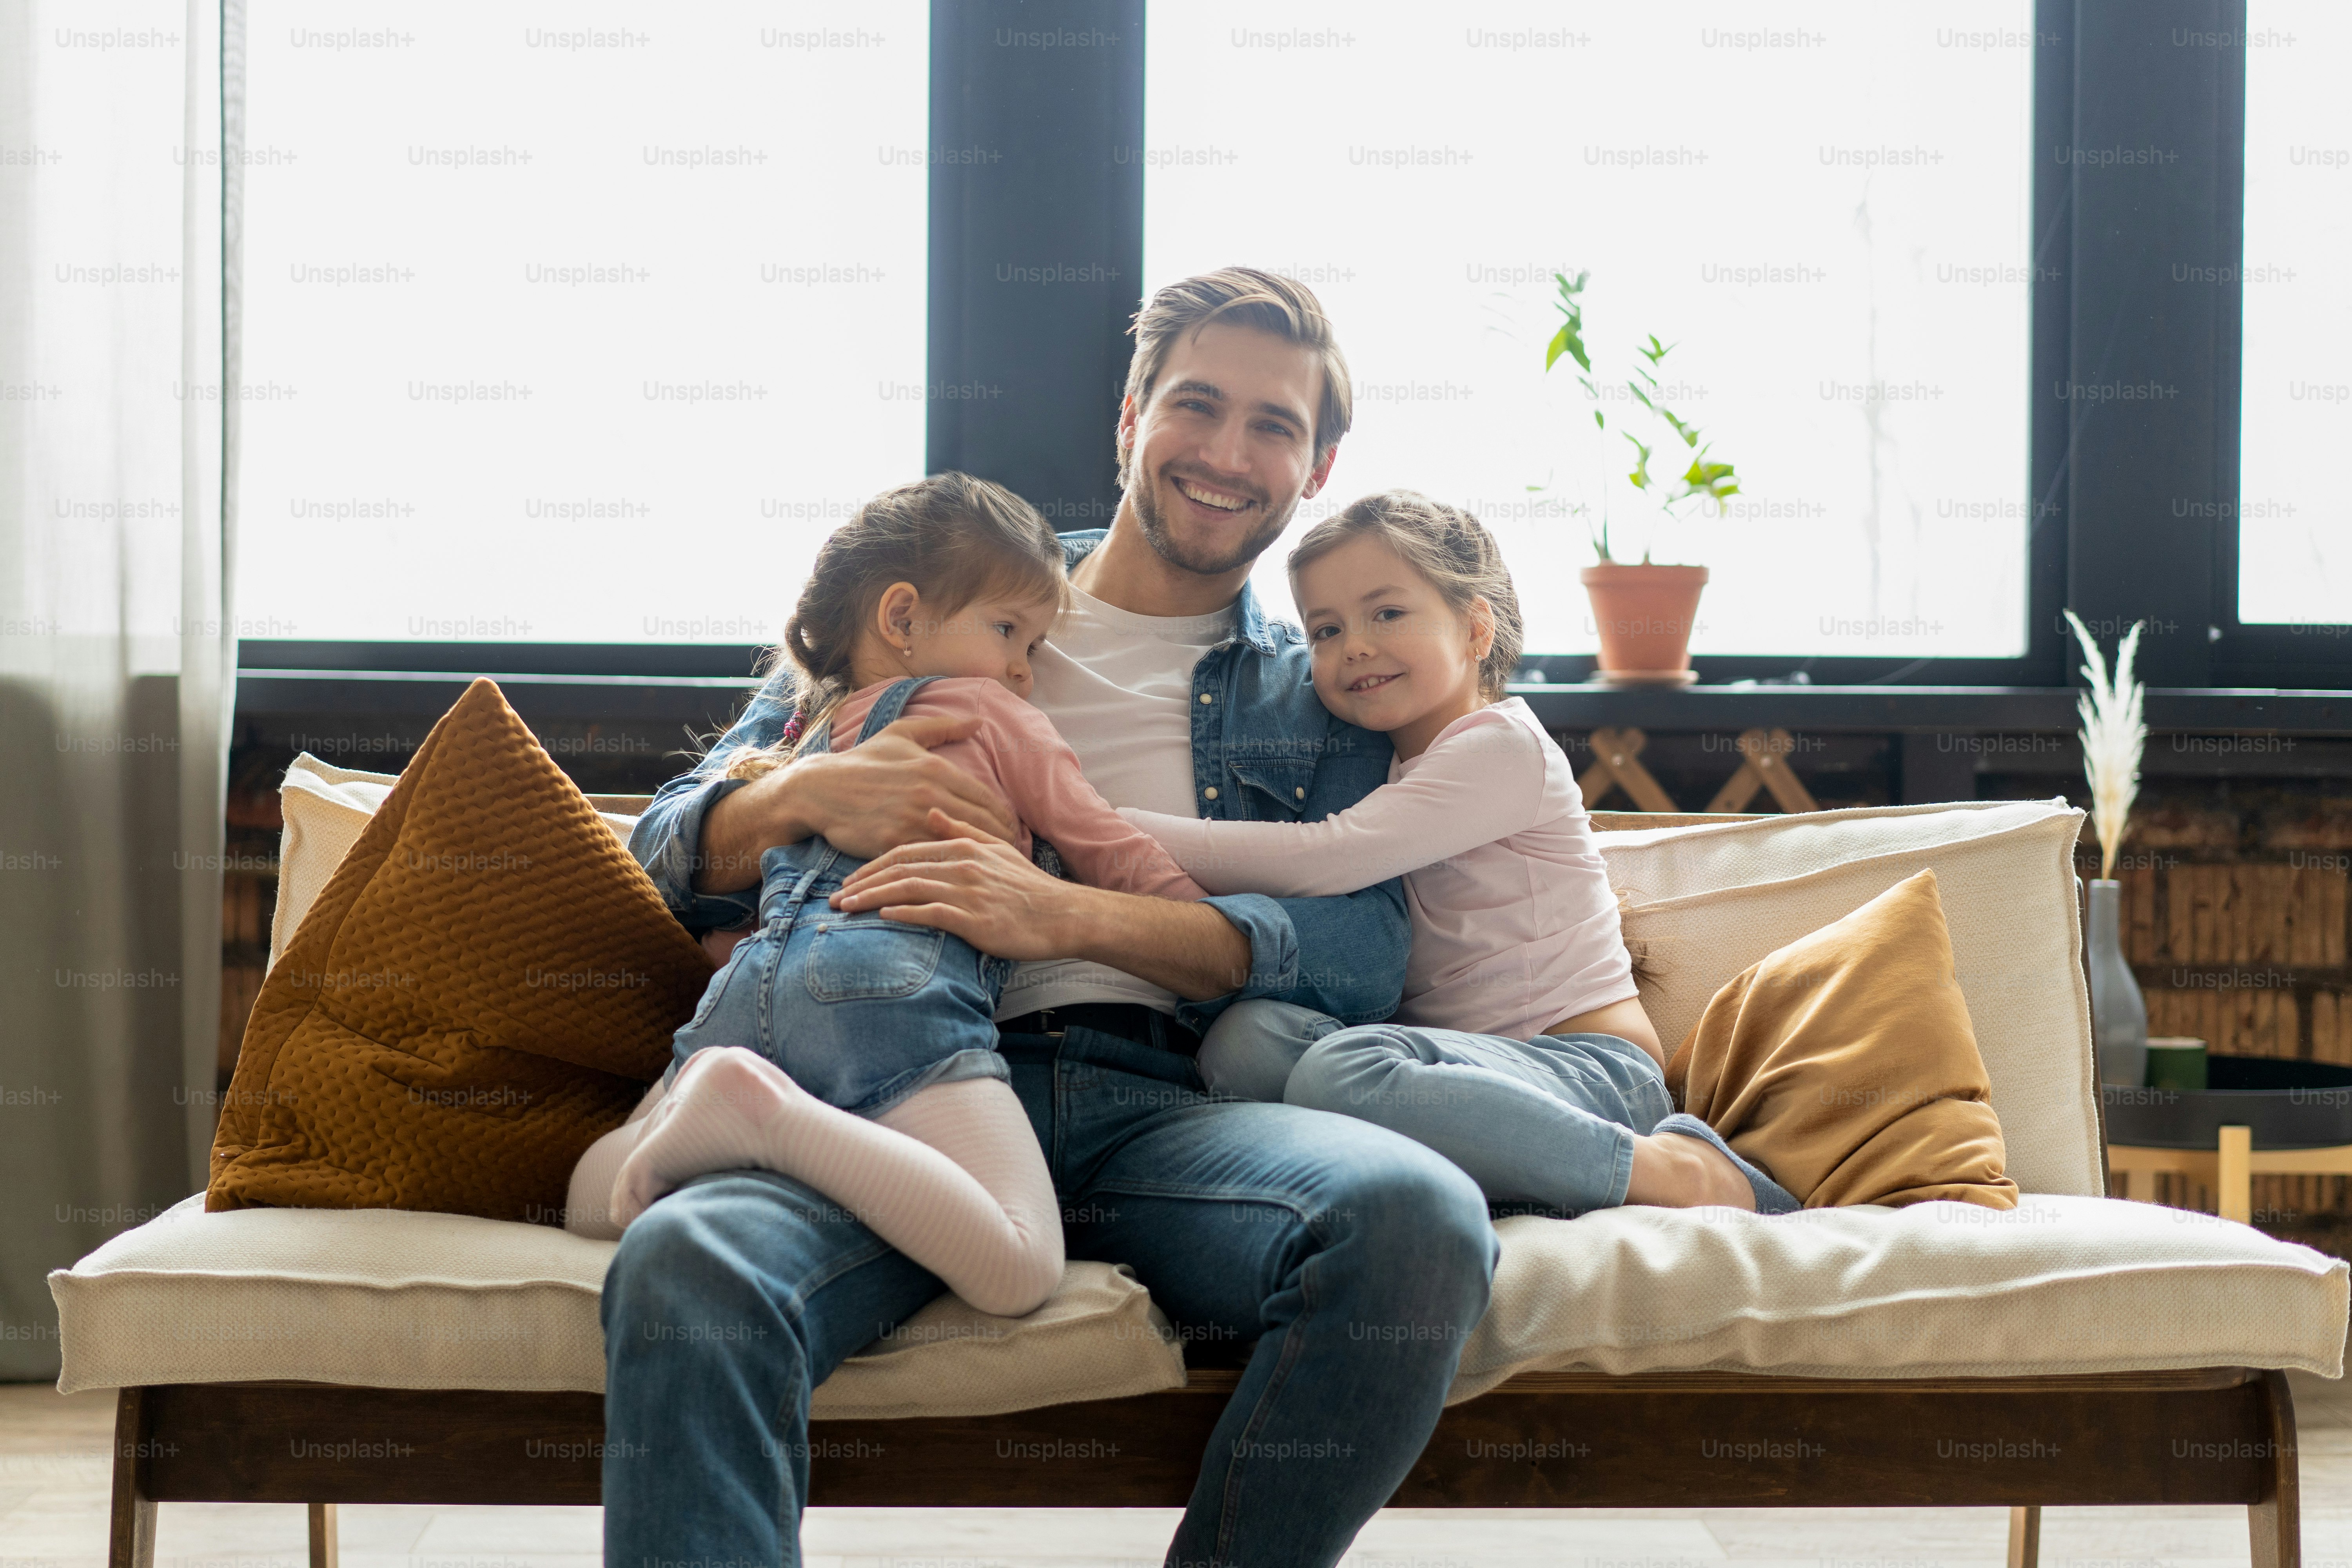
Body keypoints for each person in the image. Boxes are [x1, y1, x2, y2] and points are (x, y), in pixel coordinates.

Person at [603, 268, 1497, 1568]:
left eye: (1273, 426)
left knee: (1416, 1221)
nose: (1227, 451)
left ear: (1318, 469)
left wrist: (1059, 913)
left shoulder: (1326, 691)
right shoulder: (943, 594)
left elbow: (1364, 958)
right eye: (1196, 405)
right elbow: (661, 847)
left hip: (1166, 1110)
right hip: (888, 1093)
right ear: (1129, 417)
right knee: (690, 1266)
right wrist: (799, 793)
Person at [562, 472, 1212, 1321]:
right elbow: (1103, 841)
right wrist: (1196, 915)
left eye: (1035, 647)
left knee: (590, 1197)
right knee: (1020, 1262)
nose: (1022, 669)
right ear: (901, 617)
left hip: (746, 998)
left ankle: (734, 1095)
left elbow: (747, 903)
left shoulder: (810, 736)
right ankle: (765, 1116)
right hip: (888, 994)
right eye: (1010, 631)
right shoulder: (986, 713)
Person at [1119, 490, 1798, 1216]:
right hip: (1463, 1068)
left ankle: (1673, 1170)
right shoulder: (1378, 771)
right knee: (1243, 1042)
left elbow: (1326, 858)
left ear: (1476, 628)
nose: (1354, 645)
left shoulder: (1502, 748)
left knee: (1342, 1071)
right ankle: (1486, 1180)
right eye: (1325, 629)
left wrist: (1109, 827)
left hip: (1594, 1074)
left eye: (1387, 613)